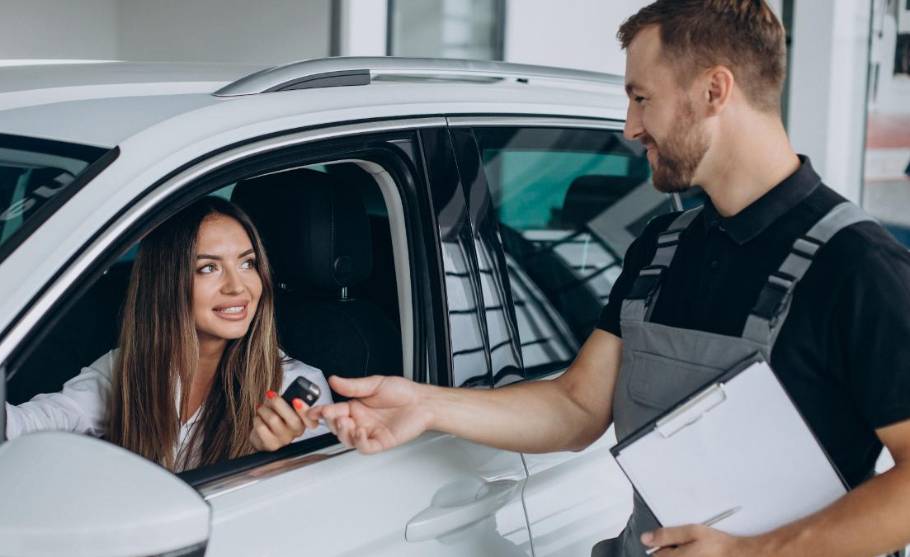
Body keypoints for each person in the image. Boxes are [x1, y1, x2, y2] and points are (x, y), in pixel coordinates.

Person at [310, 1, 910, 555]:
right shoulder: (663, 249)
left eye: (642, 98)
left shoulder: (857, 268)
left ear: (714, 90)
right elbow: (576, 407)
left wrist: (753, 553)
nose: (629, 127)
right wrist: (425, 404)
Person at [7, 197, 331, 471]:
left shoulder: (295, 387)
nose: (238, 286)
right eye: (208, 268)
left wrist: (273, 460)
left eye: (247, 264)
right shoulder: (128, 367)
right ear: (167, 283)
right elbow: (39, 421)